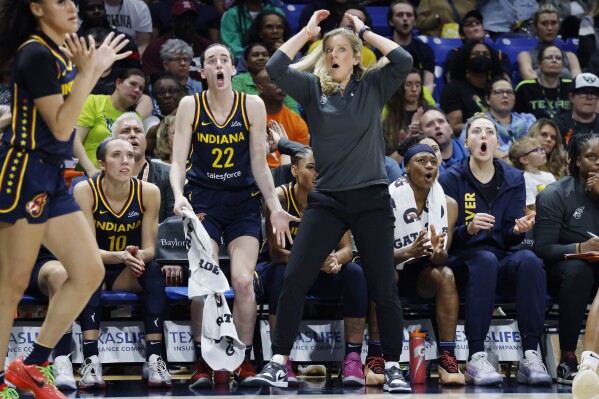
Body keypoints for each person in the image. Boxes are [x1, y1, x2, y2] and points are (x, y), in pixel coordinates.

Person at [252, 10, 413, 392]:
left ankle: (392, 365)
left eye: (342, 49)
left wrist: (365, 32)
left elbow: (403, 59)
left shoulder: (373, 84)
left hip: (371, 197)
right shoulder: (313, 89)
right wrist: (307, 33)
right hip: (327, 200)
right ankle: (279, 361)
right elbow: (276, 66)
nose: (334, 55)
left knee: (383, 284)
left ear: (355, 57)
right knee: (294, 277)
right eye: (328, 50)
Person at [0, 0, 129, 393]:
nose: (72, 6)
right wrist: (91, 73)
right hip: (23, 174)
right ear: (37, 9)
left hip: (52, 176)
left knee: (89, 272)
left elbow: (63, 129)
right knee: (11, 284)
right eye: (60, 2)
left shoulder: (60, 51)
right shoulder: (36, 53)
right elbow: (60, 127)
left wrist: (87, 69)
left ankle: (33, 365)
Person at [169, 43, 297, 387]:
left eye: (224, 59)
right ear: (204, 73)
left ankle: (241, 360)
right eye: (211, 61)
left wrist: (276, 209)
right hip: (204, 201)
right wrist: (179, 195)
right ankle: (203, 360)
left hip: (242, 202)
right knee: (205, 281)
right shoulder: (189, 105)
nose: (219, 64)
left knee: (242, 281)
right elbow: (178, 160)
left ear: (232, 70)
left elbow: (259, 163)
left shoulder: (252, 105)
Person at [438, 113, 551, 386]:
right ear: (466, 142)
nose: (484, 136)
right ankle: (476, 355)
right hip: (464, 260)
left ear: (496, 141)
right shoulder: (451, 178)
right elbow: (445, 237)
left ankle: (531, 355)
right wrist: (469, 229)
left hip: (501, 256)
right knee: (485, 259)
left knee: (529, 260)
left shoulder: (513, 177)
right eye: (477, 132)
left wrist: (515, 231)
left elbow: (508, 236)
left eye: (489, 131)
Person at [257, 148, 369, 386]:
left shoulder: (335, 199)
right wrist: (317, 261)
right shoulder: (281, 199)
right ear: (295, 170)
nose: (318, 173)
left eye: (322, 168)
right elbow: (278, 254)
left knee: (355, 273)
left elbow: (347, 248)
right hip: (279, 267)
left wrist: (336, 259)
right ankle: (282, 360)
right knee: (282, 274)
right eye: (311, 167)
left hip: (318, 271)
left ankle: (352, 357)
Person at [73, 137, 171, 388]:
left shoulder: (149, 192)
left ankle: (154, 358)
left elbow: (151, 249)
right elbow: (86, 250)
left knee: (153, 271)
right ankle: (91, 359)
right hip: (96, 265)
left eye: (129, 155)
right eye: (116, 155)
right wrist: (119, 255)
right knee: (90, 271)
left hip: (127, 270)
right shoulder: (85, 190)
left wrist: (137, 256)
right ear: (102, 163)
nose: (125, 160)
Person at [389, 142, 463, 385]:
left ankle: (447, 358)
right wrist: (406, 252)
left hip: (422, 274)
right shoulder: (386, 199)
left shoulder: (448, 204)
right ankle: (379, 359)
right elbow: (374, 255)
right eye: (421, 161)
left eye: (432, 161)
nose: (429, 165)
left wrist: (438, 250)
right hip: (392, 266)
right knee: (385, 275)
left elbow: (441, 259)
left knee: (447, 274)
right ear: (407, 168)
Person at [535, 133, 599, 386]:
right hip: (564, 268)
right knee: (578, 270)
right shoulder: (556, 194)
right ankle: (568, 358)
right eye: (591, 157)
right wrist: (580, 246)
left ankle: (591, 360)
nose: (598, 163)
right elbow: (542, 248)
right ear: (576, 160)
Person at [74, 68, 146, 177]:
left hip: (121, 178)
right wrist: (91, 170)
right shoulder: (94, 102)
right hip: (88, 175)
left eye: (141, 88)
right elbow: (75, 139)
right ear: (118, 83)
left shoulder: (135, 117)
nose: (137, 90)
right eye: (133, 84)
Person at [112, 112, 174, 223]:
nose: (133, 135)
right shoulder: (102, 178)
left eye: (138, 131)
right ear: (113, 142)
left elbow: (173, 224)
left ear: (145, 140)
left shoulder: (167, 175)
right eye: (126, 131)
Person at [460, 76, 536, 160]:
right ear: (488, 99)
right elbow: (467, 146)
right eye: (498, 92)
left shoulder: (527, 120)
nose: (505, 95)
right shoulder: (476, 122)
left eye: (509, 92)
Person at [440, 40, 503, 135]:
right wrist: (485, 127)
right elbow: (454, 127)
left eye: (486, 54)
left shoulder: (499, 86)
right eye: (476, 54)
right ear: (466, 58)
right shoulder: (453, 89)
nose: (481, 56)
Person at [254, 69, 309, 168]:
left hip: (285, 178)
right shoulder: (246, 116)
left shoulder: (297, 123)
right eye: (274, 82)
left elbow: (302, 162)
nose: (281, 86)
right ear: (260, 88)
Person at [444, 10, 513, 83]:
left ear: (484, 31)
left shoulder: (499, 55)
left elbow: (506, 81)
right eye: (469, 24)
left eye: (478, 23)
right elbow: (451, 80)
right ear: (462, 35)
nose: (474, 24)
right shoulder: (455, 54)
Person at [518, 3, 581, 81]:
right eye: (544, 23)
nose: (550, 28)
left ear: (559, 26)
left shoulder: (571, 57)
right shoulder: (525, 56)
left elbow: (577, 83)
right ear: (535, 27)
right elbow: (531, 81)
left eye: (554, 23)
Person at [232, 42, 299, 115]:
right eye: (255, 55)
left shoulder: (281, 79)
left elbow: (293, 110)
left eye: (265, 55)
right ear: (246, 61)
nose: (261, 58)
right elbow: (236, 106)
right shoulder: (238, 80)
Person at [388, 0, 435, 96]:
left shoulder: (425, 49)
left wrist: (420, 104)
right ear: (391, 21)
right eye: (400, 15)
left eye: (409, 15)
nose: (405, 18)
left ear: (415, 21)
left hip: (418, 99)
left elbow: (428, 84)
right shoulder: (382, 48)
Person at [514, 44, 572, 120]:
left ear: (562, 65)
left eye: (558, 58)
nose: (554, 60)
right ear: (539, 64)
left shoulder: (570, 85)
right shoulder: (525, 87)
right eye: (549, 58)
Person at [383, 68, 429, 160]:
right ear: (399, 87)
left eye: (418, 84)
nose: (414, 89)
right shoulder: (388, 123)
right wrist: (409, 141)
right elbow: (389, 164)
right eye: (408, 84)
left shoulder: (430, 113)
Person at [508, 136, 556, 214]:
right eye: (536, 150)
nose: (543, 151)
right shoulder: (522, 178)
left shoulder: (549, 175)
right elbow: (531, 206)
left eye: (541, 149)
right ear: (524, 160)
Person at [554, 72, 599, 145]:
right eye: (583, 93)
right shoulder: (558, 125)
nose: (589, 97)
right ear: (571, 97)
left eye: (594, 93)